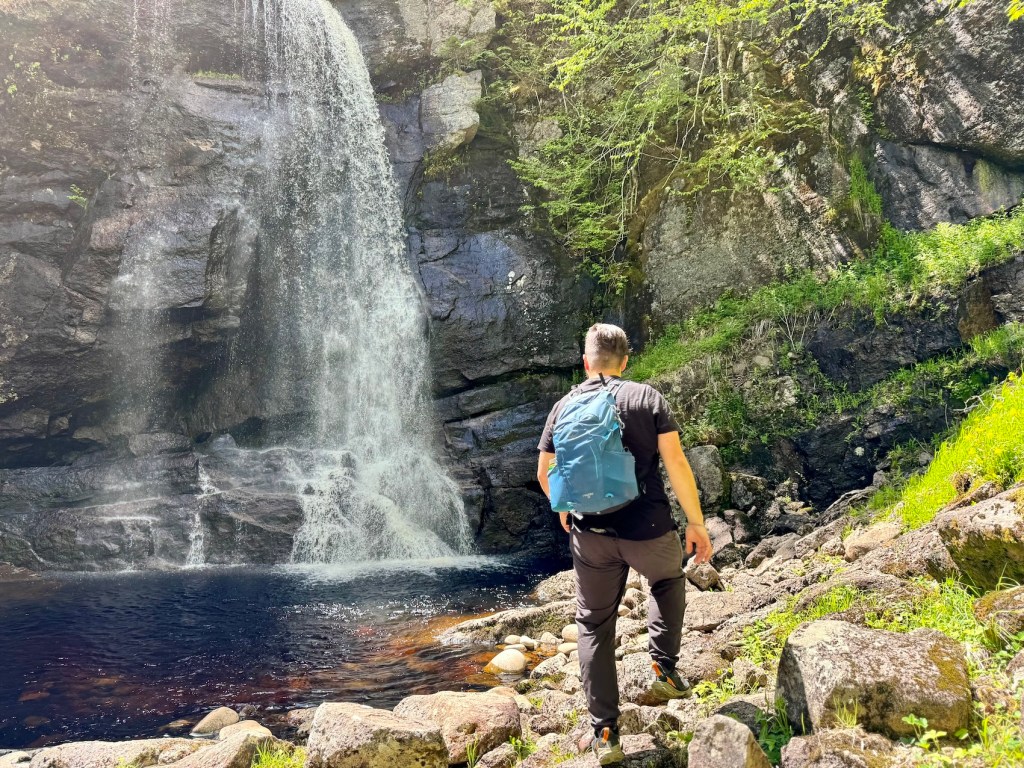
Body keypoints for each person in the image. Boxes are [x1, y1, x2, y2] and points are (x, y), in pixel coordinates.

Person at [537, 323, 713, 765]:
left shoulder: (563, 406)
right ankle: (662, 666)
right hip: (648, 527)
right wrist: (696, 522)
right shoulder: (646, 398)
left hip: (590, 536)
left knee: (594, 624)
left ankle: (606, 733)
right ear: (626, 361)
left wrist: (565, 505)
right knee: (667, 580)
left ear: (585, 362)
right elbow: (675, 462)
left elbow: (544, 472)